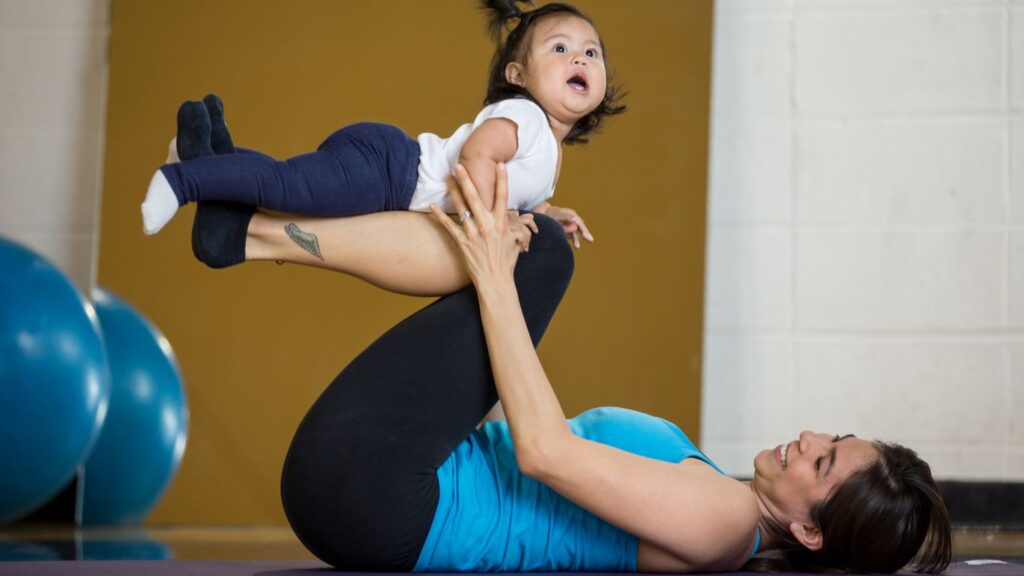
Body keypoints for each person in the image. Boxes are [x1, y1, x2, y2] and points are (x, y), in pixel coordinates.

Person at [186, 158, 952, 572]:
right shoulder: (717, 492)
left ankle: (251, 229)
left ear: (809, 532)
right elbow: (517, 447)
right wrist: (497, 262)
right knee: (529, 244)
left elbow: (544, 451)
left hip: (380, 500)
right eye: (832, 438)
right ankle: (249, 229)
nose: (808, 437)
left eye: (821, 464)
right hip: (385, 488)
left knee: (532, 254)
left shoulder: (720, 524)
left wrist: (494, 273)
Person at [140, 0, 625, 254]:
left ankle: (208, 157)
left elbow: (514, 187)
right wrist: (496, 225)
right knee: (288, 188)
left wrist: (547, 209)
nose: (579, 56)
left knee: (285, 190)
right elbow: (478, 157)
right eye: (559, 49)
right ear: (517, 76)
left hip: (390, 176)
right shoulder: (526, 117)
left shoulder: (547, 151)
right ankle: (180, 180)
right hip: (389, 169)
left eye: (591, 52)